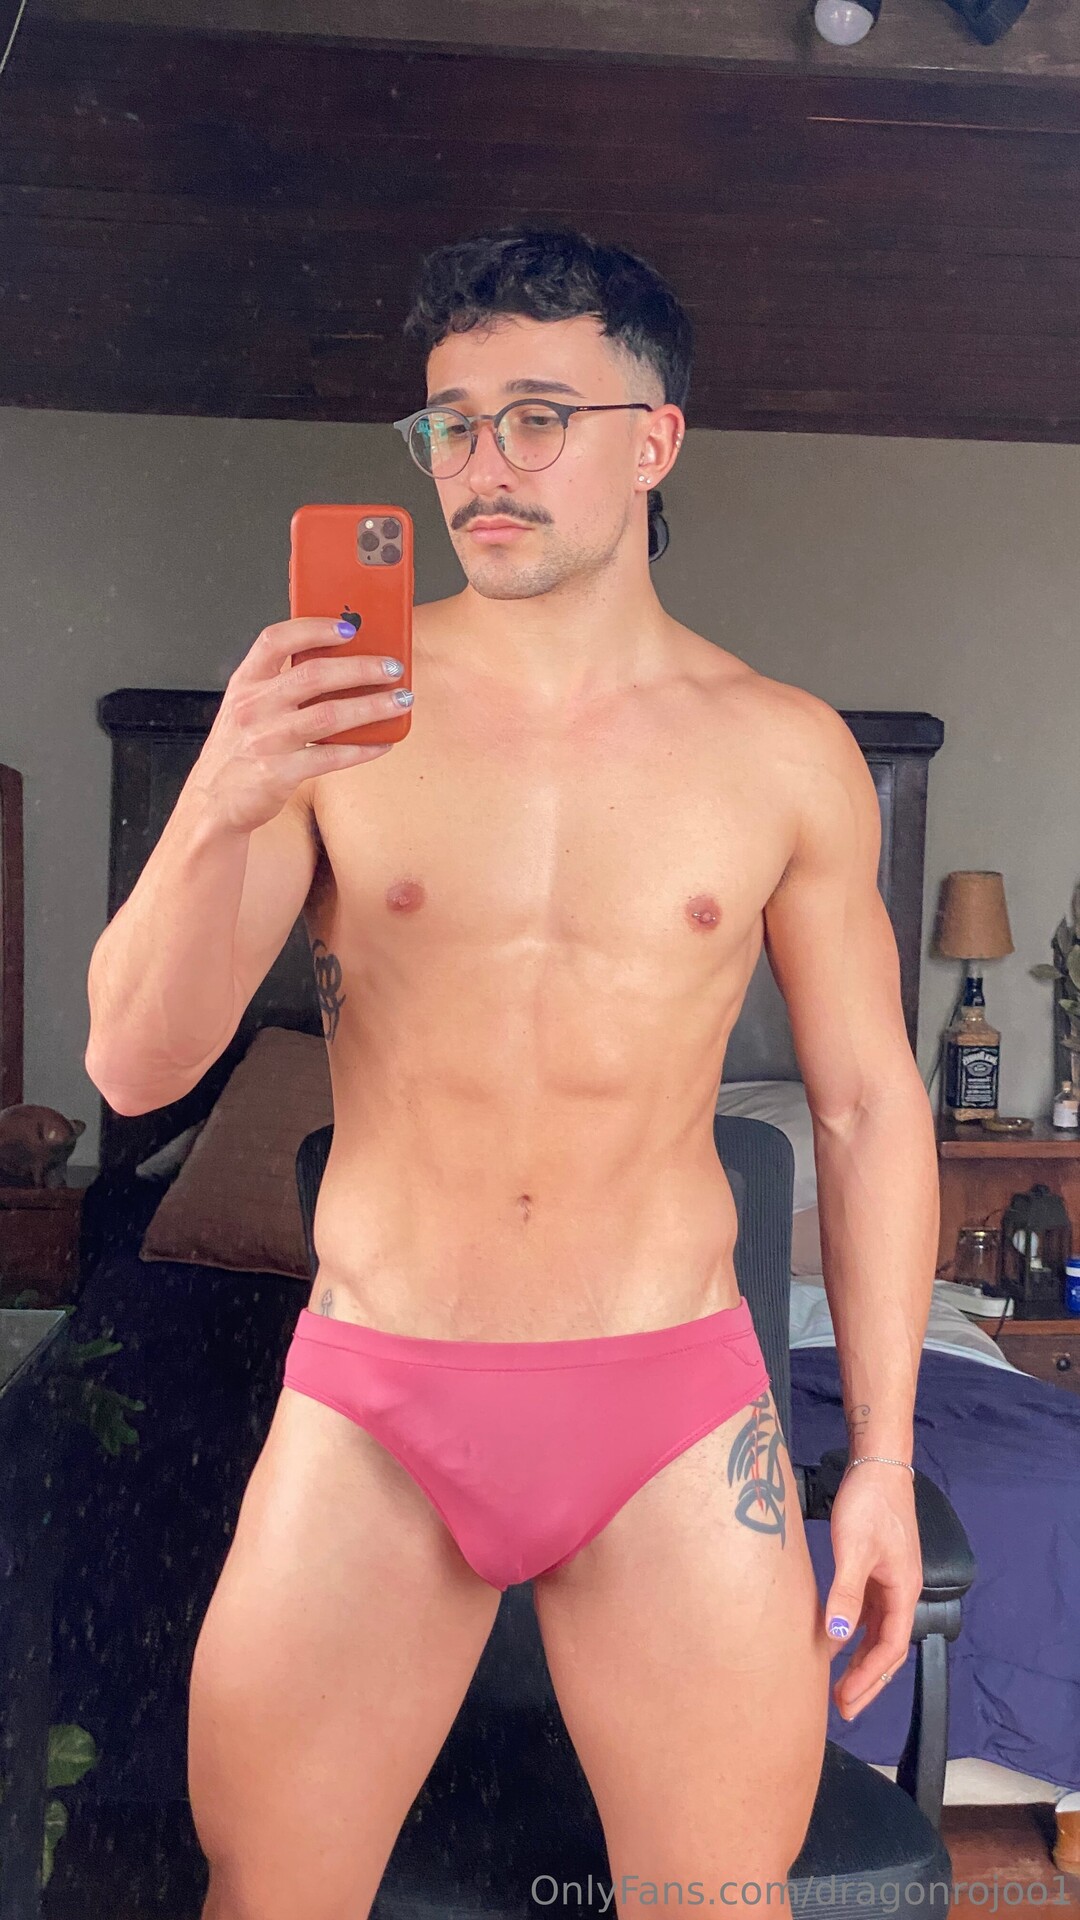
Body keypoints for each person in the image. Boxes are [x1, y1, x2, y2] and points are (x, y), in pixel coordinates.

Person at [84, 225, 937, 1920]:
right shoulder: (335, 715)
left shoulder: (783, 751)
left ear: (655, 439)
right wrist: (221, 798)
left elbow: (863, 1109)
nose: (483, 464)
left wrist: (886, 1463)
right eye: (451, 424)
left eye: (538, 417)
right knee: (271, 1896)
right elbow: (130, 1064)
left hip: (675, 1407)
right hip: (377, 1393)